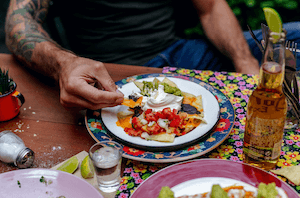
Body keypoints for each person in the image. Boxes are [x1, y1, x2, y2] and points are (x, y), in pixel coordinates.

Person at [5, 0, 297, 110]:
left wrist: (246, 64)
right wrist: (64, 64)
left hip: (180, 54)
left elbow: (210, 9)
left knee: (294, 36)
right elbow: (19, 23)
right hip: (112, 74)